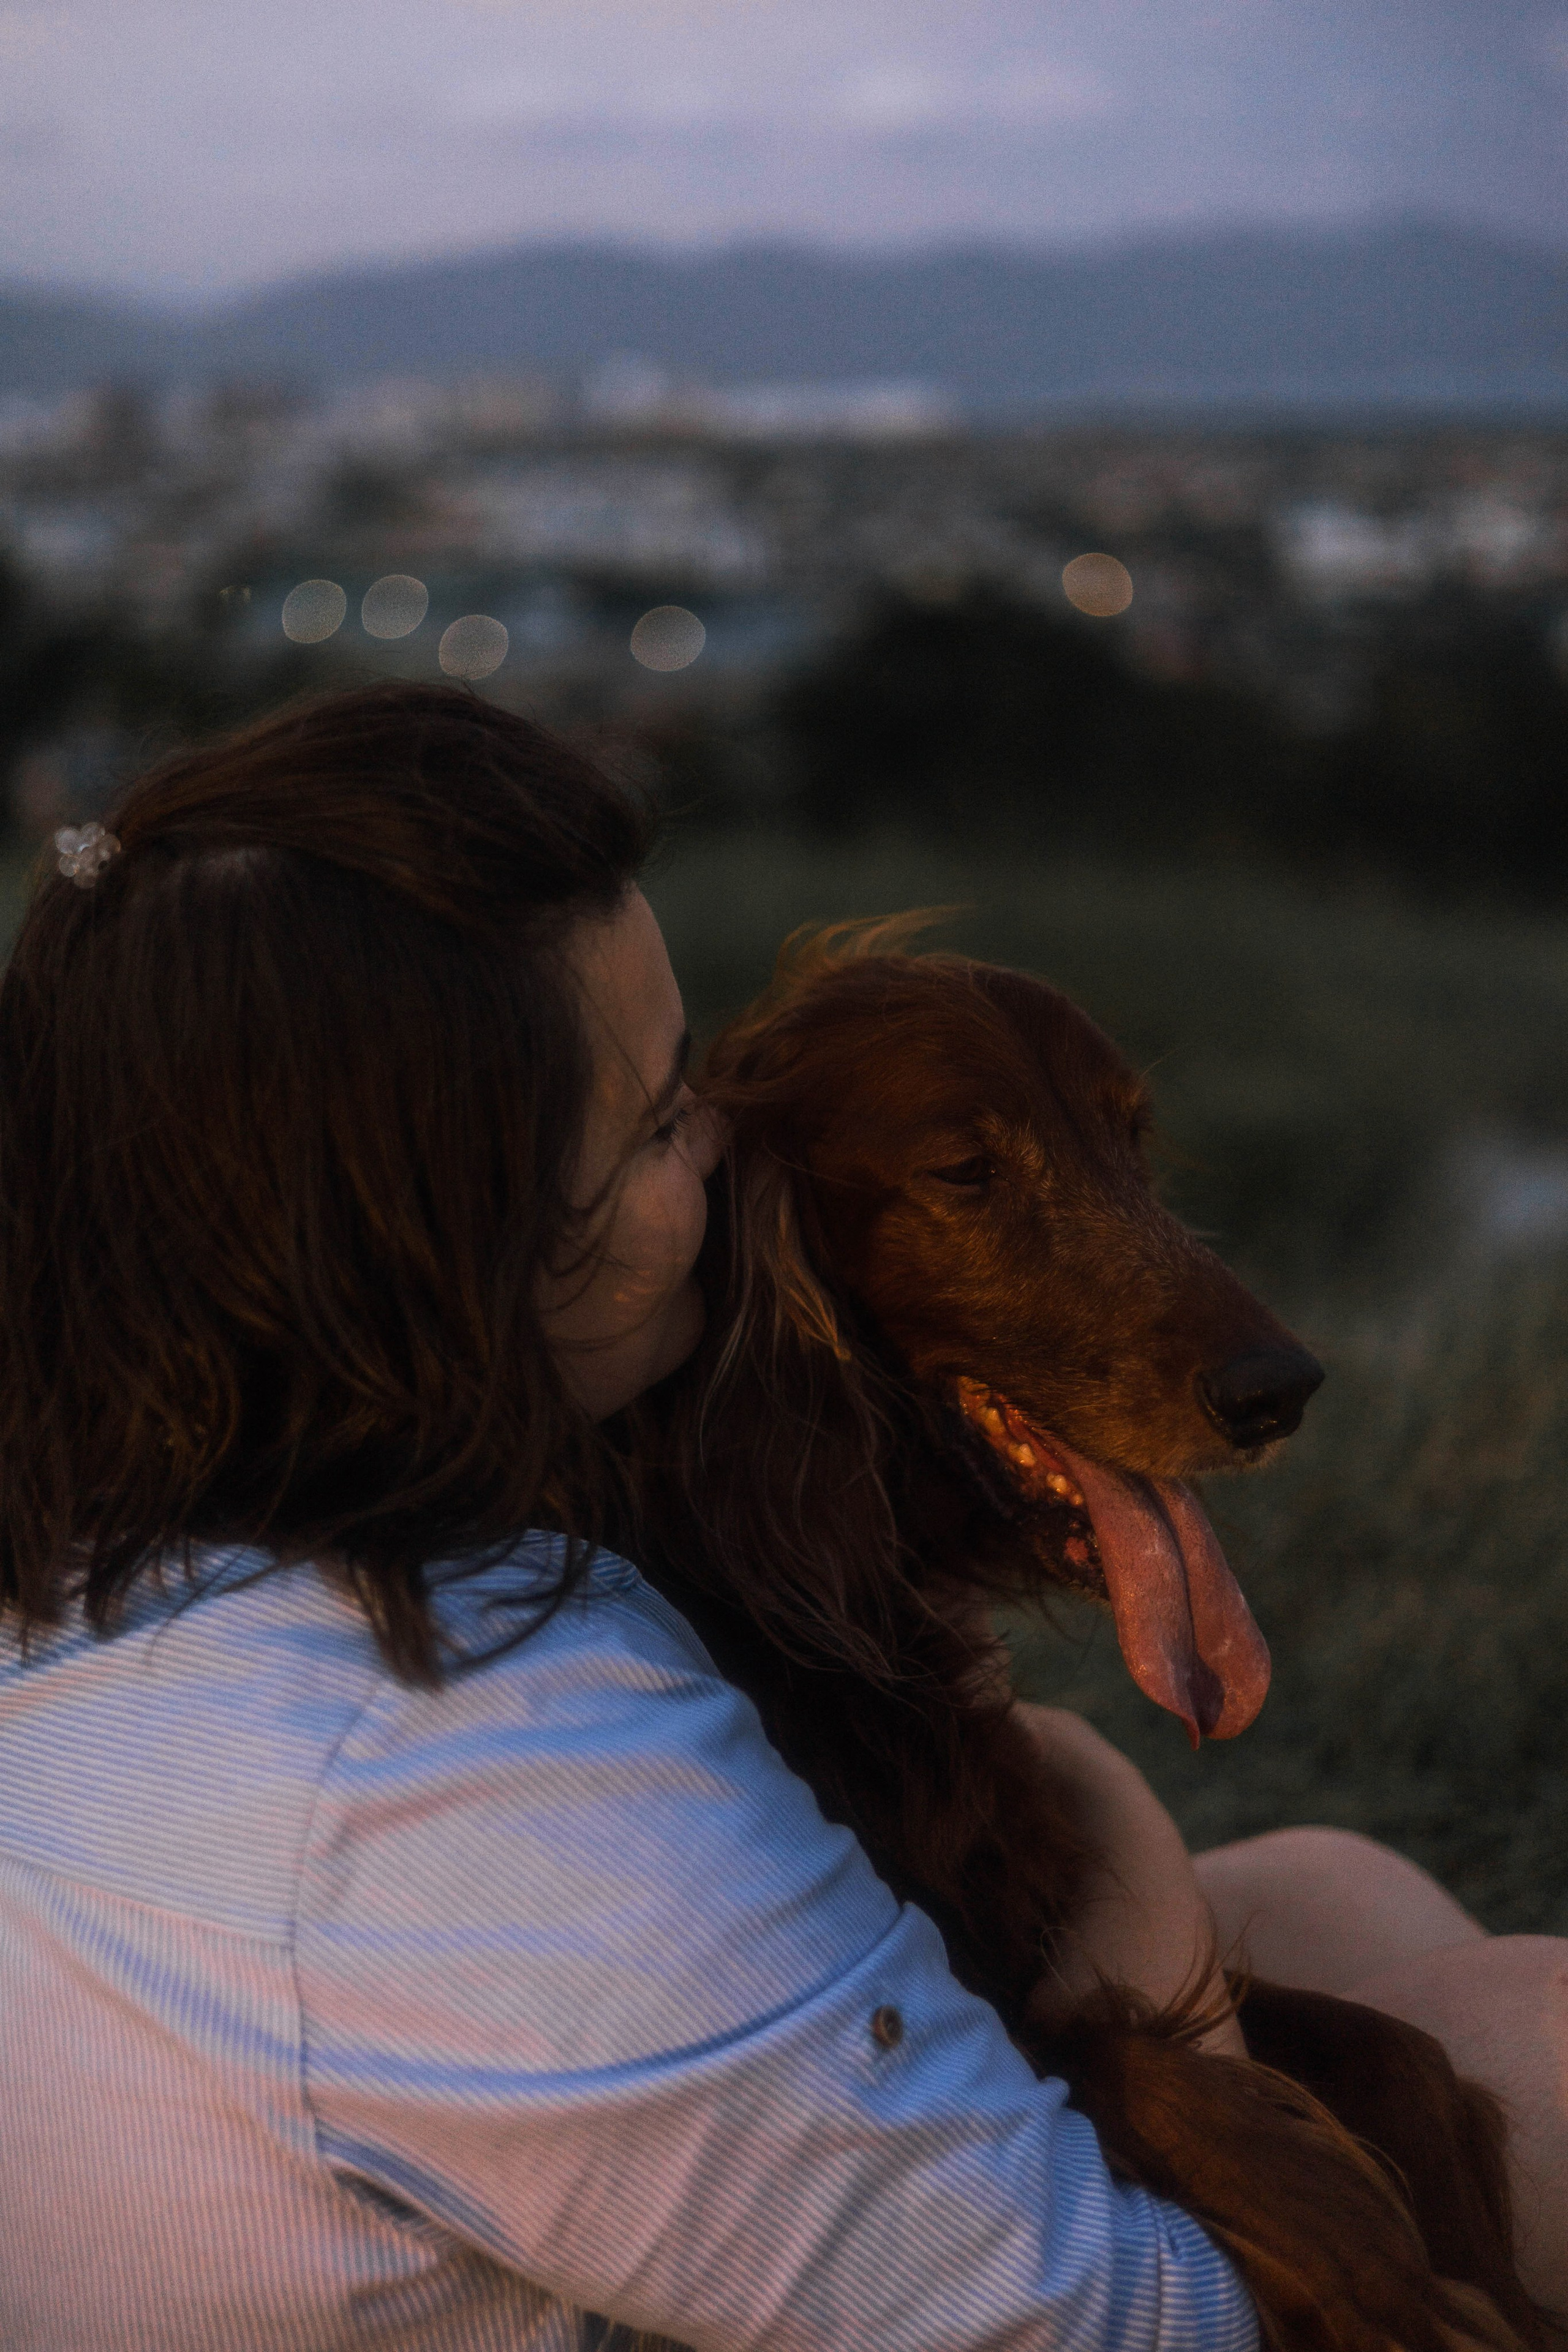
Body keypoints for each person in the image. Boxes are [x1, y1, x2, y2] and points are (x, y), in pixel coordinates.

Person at [0, 681, 1259, 2351]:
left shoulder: (94, 1531)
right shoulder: (491, 1779)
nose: (735, 1145)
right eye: (668, 1119)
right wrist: (1136, 1884)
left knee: (1347, 1885)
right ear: (459, 1253)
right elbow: (1144, 2327)